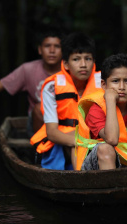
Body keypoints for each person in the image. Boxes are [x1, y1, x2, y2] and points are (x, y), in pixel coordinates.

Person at [30, 32, 102, 170]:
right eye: (76, 59)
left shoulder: (104, 83)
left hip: (96, 138)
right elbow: (52, 132)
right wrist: (83, 143)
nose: (83, 64)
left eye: (88, 59)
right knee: (74, 146)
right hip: (62, 139)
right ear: (66, 64)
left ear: (93, 62)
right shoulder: (52, 86)